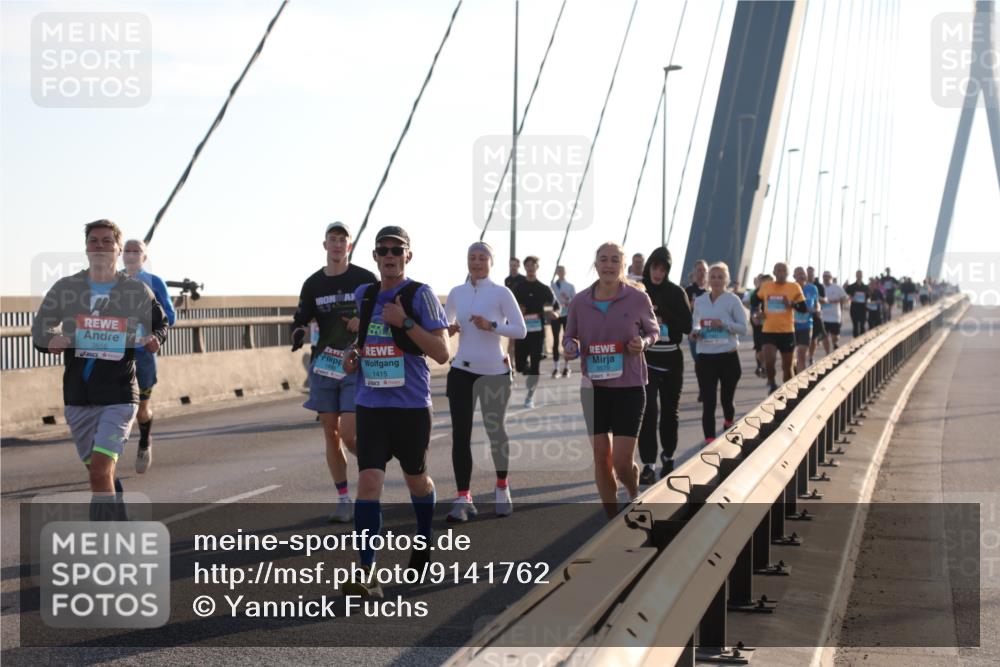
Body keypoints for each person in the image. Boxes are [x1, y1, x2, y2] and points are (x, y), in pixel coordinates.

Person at [31, 220, 167, 521]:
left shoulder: (135, 290)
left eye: (107, 241)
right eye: (94, 241)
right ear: (86, 248)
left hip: (119, 394)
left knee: (100, 471)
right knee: (99, 473)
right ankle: (120, 525)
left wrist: (154, 339)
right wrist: (51, 340)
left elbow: (160, 323)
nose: (100, 246)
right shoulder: (67, 287)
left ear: (118, 249)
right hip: (78, 396)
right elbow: (40, 328)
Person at [340, 226, 450, 598]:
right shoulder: (364, 294)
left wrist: (404, 321)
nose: (390, 256)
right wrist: (354, 355)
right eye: (383, 250)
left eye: (397, 250)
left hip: (411, 407)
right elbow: (366, 341)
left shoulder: (420, 295)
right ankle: (367, 572)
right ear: (374, 256)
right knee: (369, 483)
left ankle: (424, 538)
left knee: (416, 480)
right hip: (371, 404)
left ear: (408, 256)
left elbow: (441, 353)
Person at [563, 242, 658, 519]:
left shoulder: (638, 298)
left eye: (615, 260)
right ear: (596, 264)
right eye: (603, 259)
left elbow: (653, 331)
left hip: (629, 387)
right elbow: (569, 336)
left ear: (623, 266)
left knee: (621, 462)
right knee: (602, 459)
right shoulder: (580, 301)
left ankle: (632, 489)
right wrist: (570, 346)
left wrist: (643, 342)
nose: (608, 265)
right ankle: (611, 519)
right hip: (594, 390)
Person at [290, 222, 377, 523]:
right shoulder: (313, 284)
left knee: (350, 435)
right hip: (325, 366)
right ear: (325, 245)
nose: (338, 244)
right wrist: (298, 331)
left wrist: (362, 321)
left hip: (355, 363)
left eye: (342, 240)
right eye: (333, 239)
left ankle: (372, 467)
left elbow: (380, 314)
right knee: (331, 432)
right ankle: (343, 499)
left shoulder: (365, 279)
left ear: (349, 246)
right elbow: (301, 318)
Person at [444, 242, 526, 522]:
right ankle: (463, 497)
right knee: (461, 434)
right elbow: (443, 325)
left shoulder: (501, 293)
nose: (477, 262)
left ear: (491, 262)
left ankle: (502, 488)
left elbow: (520, 330)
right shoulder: (457, 292)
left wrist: (492, 326)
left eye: (482, 258)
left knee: (495, 431)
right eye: (472, 257)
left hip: (494, 373)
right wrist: (449, 329)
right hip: (461, 371)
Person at [122, 239, 176, 474]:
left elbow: (170, 317)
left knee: (141, 409)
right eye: (128, 250)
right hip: (116, 355)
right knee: (116, 408)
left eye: (137, 251)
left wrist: (150, 327)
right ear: (121, 255)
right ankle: (108, 459)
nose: (132, 254)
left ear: (145, 257)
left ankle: (144, 441)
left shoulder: (154, 282)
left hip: (143, 355)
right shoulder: (111, 281)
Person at [638, 247, 691, 484]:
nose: (658, 273)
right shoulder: (639, 291)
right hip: (647, 361)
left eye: (662, 269)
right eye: (654, 268)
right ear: (649, 267)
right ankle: (648, 465)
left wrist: (663, 315)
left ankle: (668, 456)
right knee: (648, 413)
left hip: (671, 361)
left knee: (670, 414)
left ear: (667, 271)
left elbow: (687, 326)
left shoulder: (676, 292)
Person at [691, 262, 749, 444]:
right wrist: (695, 332)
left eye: (720, 277)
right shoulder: (700, 301)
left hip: (728, 357)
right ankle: (709, 441)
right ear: (708, 279)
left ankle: (728, 422)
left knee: (726, 400)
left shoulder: (733, 300)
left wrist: (723, 324)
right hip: (705, 358)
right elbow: (695, 324)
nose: (716, 280)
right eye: (713, 277)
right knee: (708, 402)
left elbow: (743, 328)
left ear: (726, 280)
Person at [754, 262, 808, 393]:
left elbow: (803, 308)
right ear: (774, 272)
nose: (781, 273)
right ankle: (772, 385)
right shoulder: (766, 286)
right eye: (778, 270)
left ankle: (787, 391)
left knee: (787, 367)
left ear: (788, 273)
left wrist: (791, 304)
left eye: (784, 270)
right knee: (769, 361)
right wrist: (757, 312)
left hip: (787, 332)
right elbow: (754, 301)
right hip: (769, 331)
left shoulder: (794, 287)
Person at [512, 256, 556, 408]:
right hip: (522, 331)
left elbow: (554, 306)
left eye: (533, 265)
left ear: (537, 267)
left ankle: (529, 396)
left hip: (538, 331)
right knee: (519, 366)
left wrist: (551, 313)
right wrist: (518, 310)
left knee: (536, 363)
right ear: (524, 267)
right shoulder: (518, 288)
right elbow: (510, 307)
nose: (530, 268)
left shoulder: (544, 289)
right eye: (528, 265)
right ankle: (529, 370)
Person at [685, 259, 709, 399]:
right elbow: (682, 310)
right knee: (698, 361)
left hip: (710, 332)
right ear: (694, 272)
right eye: (699, 270)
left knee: (707, 361)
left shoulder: (711, 290)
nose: (701, 273)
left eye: (704, 270)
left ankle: (707, 388)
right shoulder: (688, 290)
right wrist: (691, 304)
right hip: (694, 331)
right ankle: (702, 388)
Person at [550, 265, 577, 378]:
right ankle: (556, 368)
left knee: (567, 340)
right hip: (556, 316)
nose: (560, 272)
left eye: (562, 270)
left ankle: (567, 366)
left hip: (567, 315)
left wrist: (567, 299)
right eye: (558, 270)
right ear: (556, 272)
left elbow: (575, 302)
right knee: (556, 340)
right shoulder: (552, 285)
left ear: (565, 272)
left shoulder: (570, 286)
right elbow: (549, 300)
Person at [793, 266, 820, 371]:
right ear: (794, 276)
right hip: (791, 326)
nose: (802, 276)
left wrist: (817, 309)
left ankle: (800, 378)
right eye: (799, 274)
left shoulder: (813, 288)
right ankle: (793, 371)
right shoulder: (790, 288)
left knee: (802, 354)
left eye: (803, 274)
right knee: (791, 357)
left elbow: (816, 303)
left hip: (807, 325)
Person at [749, 274, 772, 378]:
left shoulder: (776, 292)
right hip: (759, 323)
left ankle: (766, 367)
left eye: (769, 282)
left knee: (768, 348)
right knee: (759, 348)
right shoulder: (756, 293)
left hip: (772, 324)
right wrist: (755, 317)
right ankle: (763, 365)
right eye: (765, 282)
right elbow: (754, 308)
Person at [820, 271, 847, 349]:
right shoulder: (820, 288)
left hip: (835, 317)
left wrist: (837, 300)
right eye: (824, 276)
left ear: (831, 278)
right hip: (823, 317)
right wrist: (821, 301)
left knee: (835, 336)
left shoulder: (837, 287)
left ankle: (835, 343)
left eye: (827, 276)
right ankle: (827, 353)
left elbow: (845, 298)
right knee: (825, 337)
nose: (826, 278)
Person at [845, 270, 870, 338]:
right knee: (855, 326)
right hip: (854, 308)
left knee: (862, 326)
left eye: (860, 274)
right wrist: (845, 286)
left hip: (863, 309)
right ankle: (855, 341)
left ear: (862, 276)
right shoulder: (851, 286)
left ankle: (862, 340)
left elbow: (868, 297)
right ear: (856, 275)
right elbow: (846, 293)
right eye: (858, 274)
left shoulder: (865, 287)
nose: (859, 276)